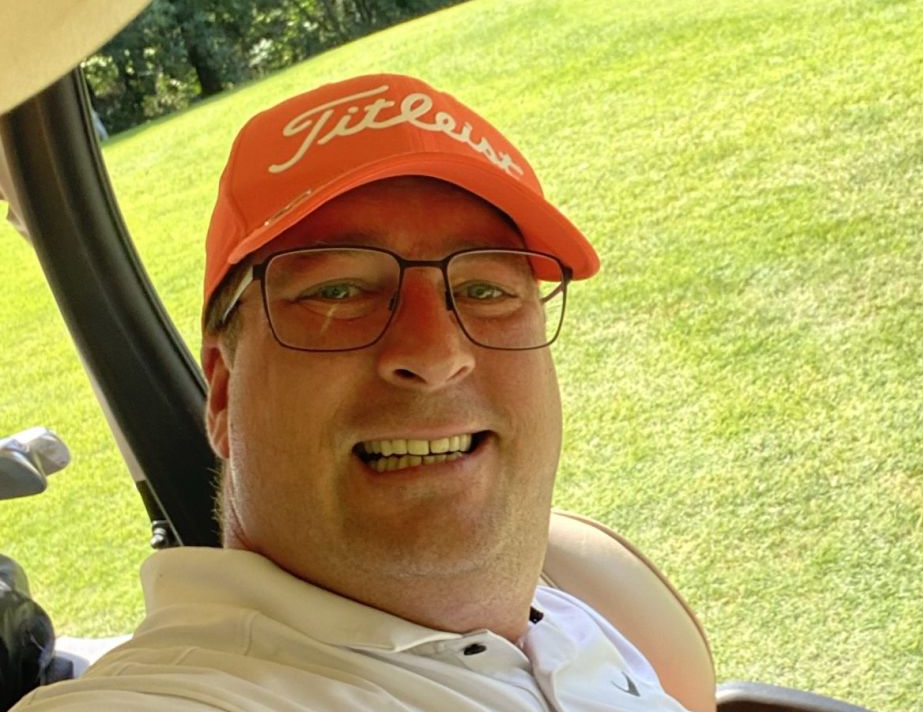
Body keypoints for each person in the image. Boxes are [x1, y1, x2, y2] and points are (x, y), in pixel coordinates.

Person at [14, 73, 692, 711]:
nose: (434, 354)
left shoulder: (567, 614)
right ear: (221, 393)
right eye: (338, 292)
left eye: (486, 290)